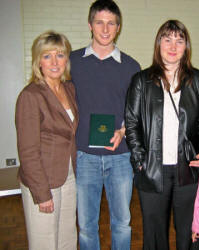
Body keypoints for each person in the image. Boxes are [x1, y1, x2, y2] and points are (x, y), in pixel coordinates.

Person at [125, 19, 199, 250]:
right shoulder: (141, 81)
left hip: (189, 168)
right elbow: (131, 123)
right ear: (158, 43)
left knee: (189, 230)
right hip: (152, 168)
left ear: (186, 47)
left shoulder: (198, 80)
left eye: (179, 41)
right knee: (154, 232)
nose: (173, 46)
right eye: (167, 39)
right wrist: (139, 159)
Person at [69, 0, 140, 249]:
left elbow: (135, 112)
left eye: (111, 23)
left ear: (118, 27)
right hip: (84, 156)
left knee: (121, 223)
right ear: (90, 25)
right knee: (87, 226)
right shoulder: (72, 62)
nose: (105, 28)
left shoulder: (131, 67)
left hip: (120, 156)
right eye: (100, 22)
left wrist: (123, 130)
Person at [15, 31, 78, 250]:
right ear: (38, 61)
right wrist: (42, 194)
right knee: (45, 243)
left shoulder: (68, 88)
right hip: (42, 181)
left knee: (67, 239)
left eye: (59, 55)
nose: (54, 62)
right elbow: (28, 151)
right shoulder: (31, 96)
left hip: (69, 176)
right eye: (47, 56)